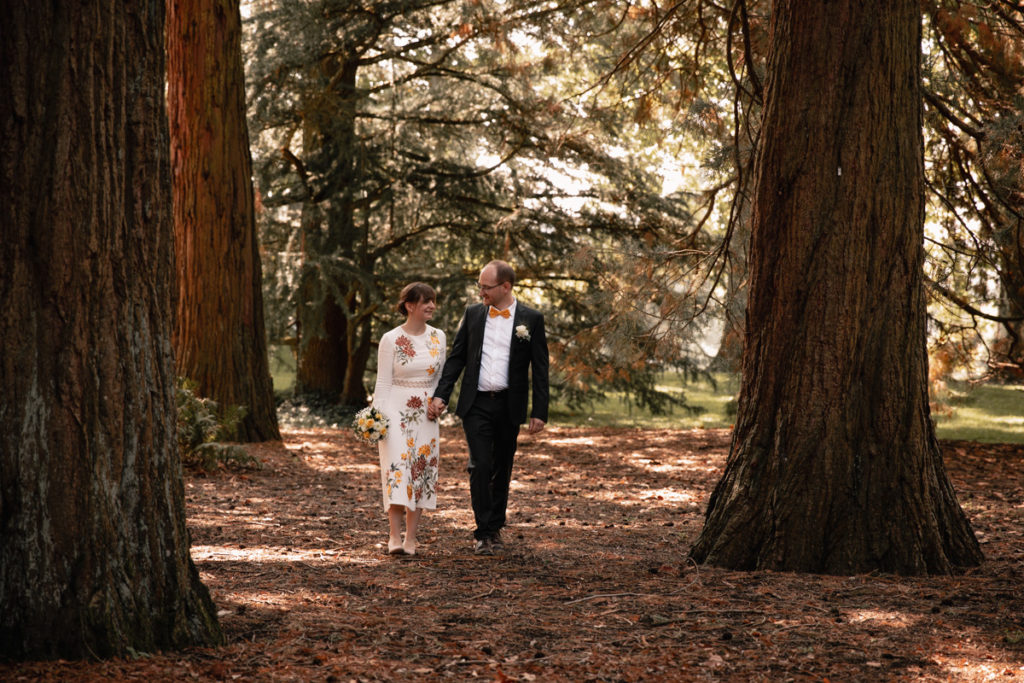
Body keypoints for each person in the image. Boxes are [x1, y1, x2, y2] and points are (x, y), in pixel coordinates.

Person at [428, 260, 549, 555]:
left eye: (486, 286)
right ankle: (482, 532)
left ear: (505, 287)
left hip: (510, 404)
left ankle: (495, 527)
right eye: (480, 285)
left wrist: (539, 411)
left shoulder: (531, 318)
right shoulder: (473, 314)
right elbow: (457, 358)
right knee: (480, 465)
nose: (481, 290)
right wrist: (442, 395)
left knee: (502, 467)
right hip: (477, 403)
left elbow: (540, 367)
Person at [373, 282, 446, 556]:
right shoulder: (390, 339)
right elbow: (383, 382)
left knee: (420, 471)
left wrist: (441, 404)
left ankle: (412, 539)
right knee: (397, 471)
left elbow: (441, 379)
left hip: (426, 414)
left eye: (433, 300)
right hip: (395, 413)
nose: (431, 306)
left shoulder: (439, 337)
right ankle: (394, 536)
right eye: (425, 301)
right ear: (409, 305)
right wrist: (376, 421)